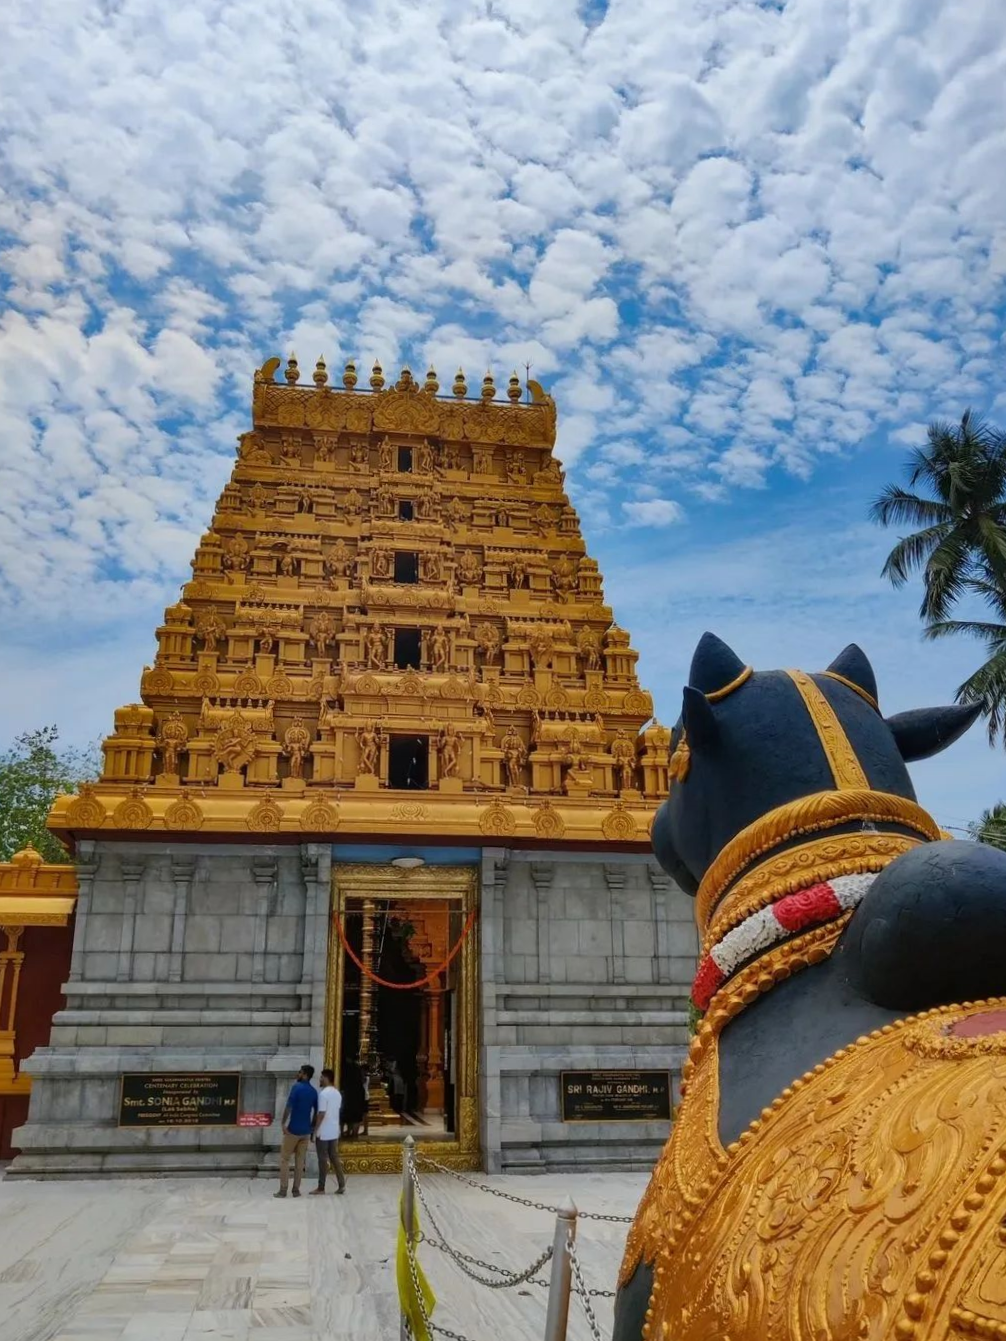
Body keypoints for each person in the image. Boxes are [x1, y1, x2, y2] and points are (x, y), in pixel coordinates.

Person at [275, 1064, 317, 1198]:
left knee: (285, 1159)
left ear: (304, 1074)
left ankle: (283, 1189)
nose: (297, 1074)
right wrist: (312, 1127)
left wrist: (283, 1123)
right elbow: (316, 1111)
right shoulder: (313, 1091)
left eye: (299, 1072)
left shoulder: (296, 1088)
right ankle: (296, 1190)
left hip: (293, 1130)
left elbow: (288, 1107)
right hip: (305, 1131)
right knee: (300, 1162)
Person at [310, 1069, 346, 1195]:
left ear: (326, 1078)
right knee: (334, 1158)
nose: (319, 1080)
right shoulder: (337, 1093)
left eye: (321, 1077)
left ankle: (321, 1187)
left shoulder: (323, 1094)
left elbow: (321, 1114)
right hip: (334, 1130)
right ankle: (341, 1184)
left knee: (322, 1159)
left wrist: (315, 1130)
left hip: (323, 1131)